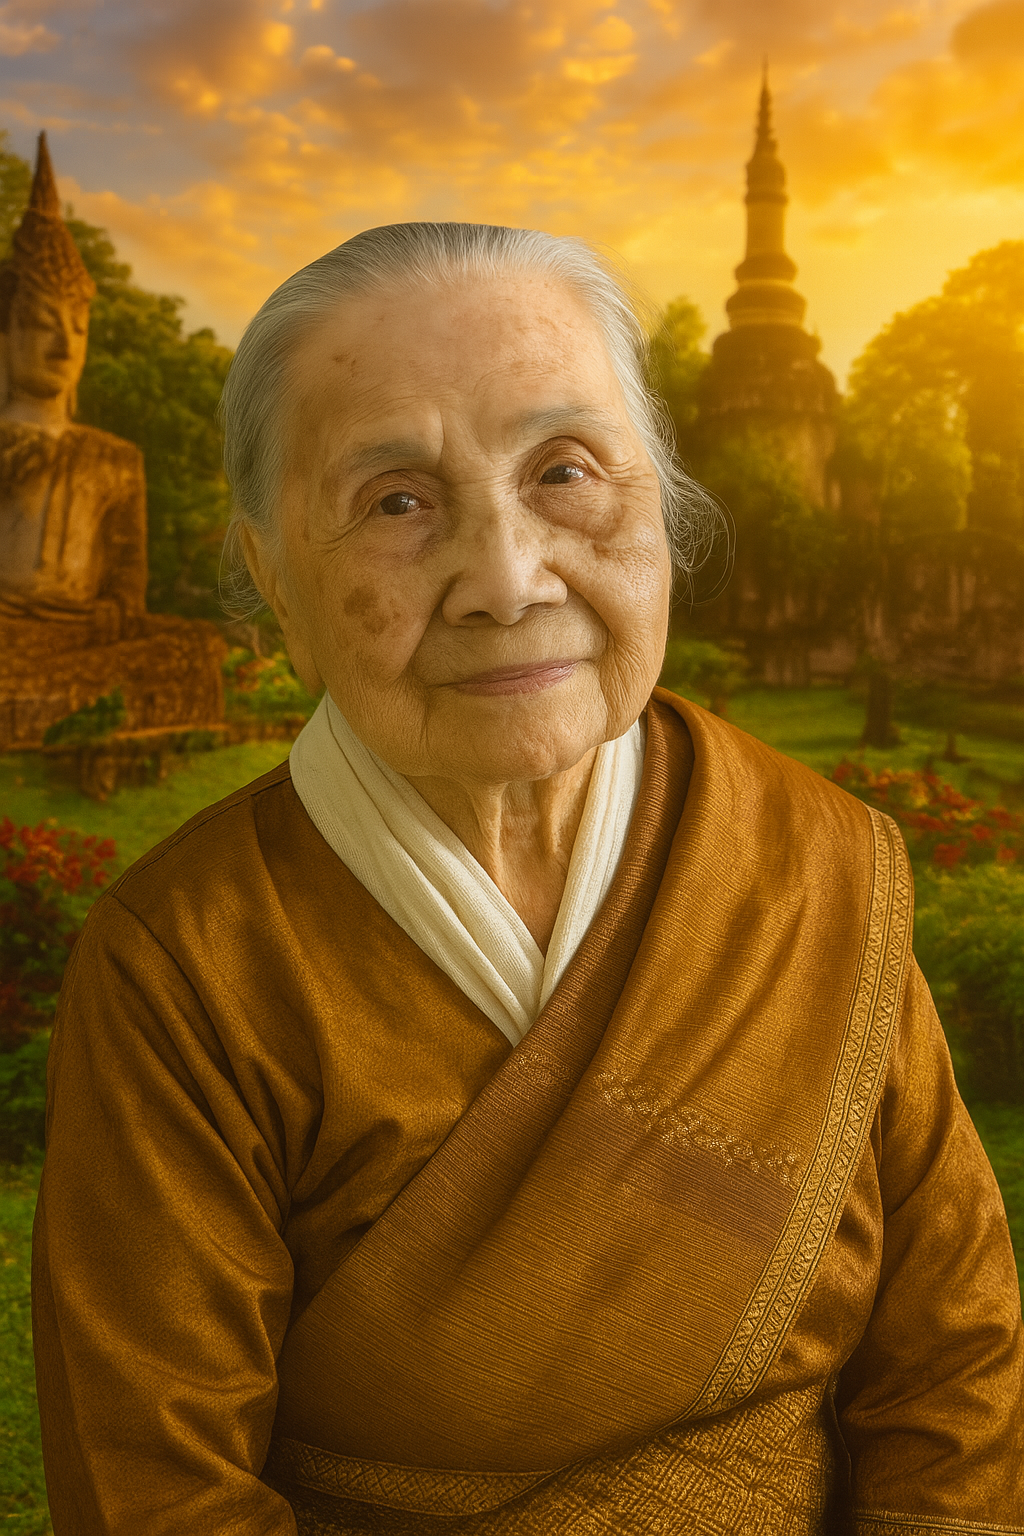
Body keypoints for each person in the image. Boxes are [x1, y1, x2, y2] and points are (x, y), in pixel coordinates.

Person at [32, 223, 1024, 1536]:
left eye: (564, 471)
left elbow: (954, 1361)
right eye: (395, 501)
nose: (505, 581)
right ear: (274, 579)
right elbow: (155, 1489)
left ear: (662, 510)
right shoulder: (189, 963)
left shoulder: (817, 865)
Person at [0, 132, 147, 641]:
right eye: (44, 324)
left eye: (79, 328)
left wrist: (119, 606)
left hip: (77, 635)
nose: (65, 346)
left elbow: (127, 581)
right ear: (6, 332)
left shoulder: (114, 460)